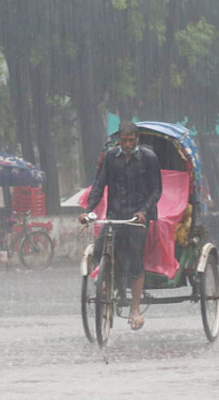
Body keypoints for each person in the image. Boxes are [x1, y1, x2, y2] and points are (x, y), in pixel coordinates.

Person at [78, 121, 162, 331]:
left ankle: (135, 310)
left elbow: (156, 190)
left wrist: (144, 211)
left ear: (137, 140)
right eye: (123, 140)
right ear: (119, 141)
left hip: (137, 218)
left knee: (135, 261)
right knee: (98, 251)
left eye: (130, 140)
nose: (126, 144)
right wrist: (89, 210)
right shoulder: (110, 158)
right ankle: (108, 284)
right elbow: (98, 186)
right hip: (115, 215)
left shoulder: (148, 159)